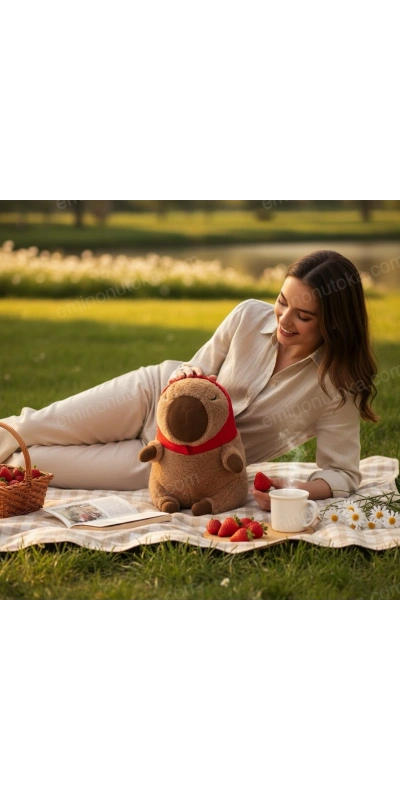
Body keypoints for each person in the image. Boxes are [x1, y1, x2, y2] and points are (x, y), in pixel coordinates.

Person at [0, 250, 378, 511]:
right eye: (282, 301)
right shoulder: (248, 316)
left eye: (303, 316)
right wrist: (186, 374)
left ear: (334, 321)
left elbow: (343, 473)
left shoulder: (337, 387)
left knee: (34, 464)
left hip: (177, 463)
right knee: (33, 425)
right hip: (152, 394)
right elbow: (197, 367)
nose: (283, 319)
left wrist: (296, 490)